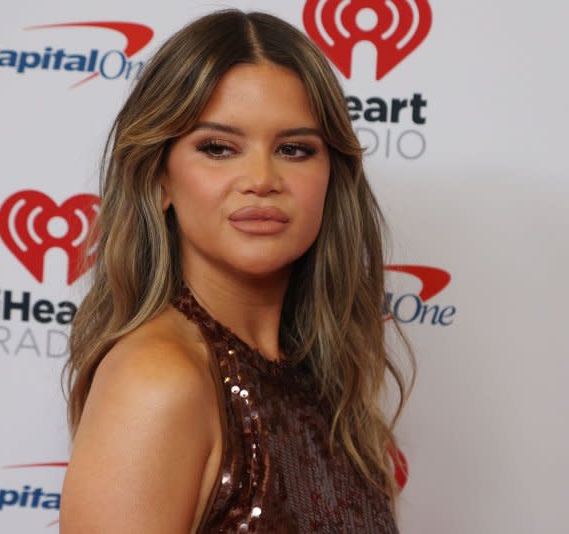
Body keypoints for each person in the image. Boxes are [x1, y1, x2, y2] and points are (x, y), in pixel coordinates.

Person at [59, 9, 413, 533]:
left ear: (330, 177)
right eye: (219, 148)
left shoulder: (316, 377)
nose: (262, 179)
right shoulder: (158, 377)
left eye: (294, 149)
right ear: (159, 180)